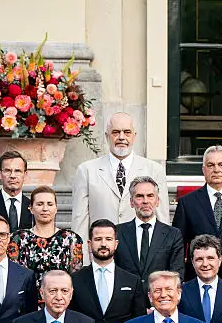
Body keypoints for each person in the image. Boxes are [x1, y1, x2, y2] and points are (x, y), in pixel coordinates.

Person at [71, 112, 170, 261]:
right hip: (101, 256)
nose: (121, 137)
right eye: (116, 132)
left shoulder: (154, 170)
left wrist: (162, 259)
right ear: (107, 136)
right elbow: (80, 221)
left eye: (127, 132)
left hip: (140, 258)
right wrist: (81, 261)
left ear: (134, 136)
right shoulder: (87, 171)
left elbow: (162, 219)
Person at [172, 146, 222, 279]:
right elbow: (178, 245)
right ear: (203, 170)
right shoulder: (187, 202)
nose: (216, 170)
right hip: (198, 277)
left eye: (221, 164)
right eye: (210, 165)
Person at [8, 185, 84, 294]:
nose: (45, 208)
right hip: (27, 302)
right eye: (40, 204)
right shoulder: (17, 238)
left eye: (50, 204)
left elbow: (75, 278)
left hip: (61, 302)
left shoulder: (71, 239)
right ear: (31, 209)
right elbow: (14, 277)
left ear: (56, 208)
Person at [114, 176, 185, 287]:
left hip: (159, 299)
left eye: (150, 196)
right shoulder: (118, 232)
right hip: (126, 300)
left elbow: (176, 274)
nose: (145, 201)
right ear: (131, 202)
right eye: (139, 196)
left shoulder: (173, 235)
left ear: (157, 201)